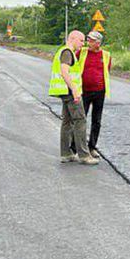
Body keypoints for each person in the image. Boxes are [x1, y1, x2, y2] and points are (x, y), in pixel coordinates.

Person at [48, 29, 99, 165]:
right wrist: (75, 90)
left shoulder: (63, 51)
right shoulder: (67, 52)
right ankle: (84, 155)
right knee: (80, 120)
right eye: (81, 40)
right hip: (70, 93)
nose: (83, 43)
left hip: (65, 92)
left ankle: (66, 154)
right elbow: (64, 71)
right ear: (72, 39)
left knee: (67, 122)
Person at [81, 30, 111, 155]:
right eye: (88, 40)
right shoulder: (82, 52)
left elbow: (107, 71)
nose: (89, 42)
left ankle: (92, 147)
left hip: (99, 92)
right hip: (84, 91)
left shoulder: (106, 55)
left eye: (91, 40)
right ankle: (76, 146)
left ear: (98, 43)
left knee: (96, 121)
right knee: (81, 119)